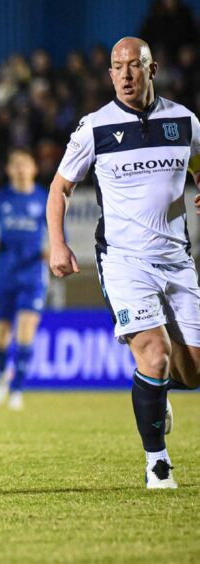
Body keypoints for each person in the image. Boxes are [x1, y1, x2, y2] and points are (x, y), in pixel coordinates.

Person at [47, 37, 200, 489]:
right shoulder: (95, 128)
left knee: (191, 369)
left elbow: (198, 165)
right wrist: (57, 245)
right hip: (124, 260)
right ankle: (158, 464)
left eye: (135, 65)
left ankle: (157, 394)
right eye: (118, 67)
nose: (127, 74)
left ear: (152, 70)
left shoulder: (185, 121)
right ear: (110, 74)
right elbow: (59, 189)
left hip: (176, 259)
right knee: (154, 356)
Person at [0, 149, 49, 411]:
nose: (19, 169)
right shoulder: (0, 198)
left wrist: (53, 250)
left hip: (32, 276)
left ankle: (17, 389)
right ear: (8, 170)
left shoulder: (43, 198)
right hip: (4, 275)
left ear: (34, 169)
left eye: (24, 164)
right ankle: (0, 375)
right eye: (15, 164)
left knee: (26, 332)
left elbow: (57, 234)